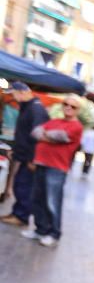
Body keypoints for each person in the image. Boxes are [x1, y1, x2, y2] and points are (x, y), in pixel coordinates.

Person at [20, 95, 83, 247]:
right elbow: (35, 132)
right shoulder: (55, 121)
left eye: (72, 106)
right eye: (66, 104)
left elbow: (60, 136)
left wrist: (47, 135)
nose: (68, 107)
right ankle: (40, 230)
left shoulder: (76, 126)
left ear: (77, 110)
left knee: (52, 201)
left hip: (57, 168)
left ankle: (54, 233)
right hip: (41, 163)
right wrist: (50, 137)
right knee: (37, 198)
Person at [0, 82, 50, 226]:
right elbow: (25, 134)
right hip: (24, 155)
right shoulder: (28, 107)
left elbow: (38, 136)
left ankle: (21, 216)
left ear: (21, 92)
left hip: (31, 158)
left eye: (13, 94)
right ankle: (17, 213)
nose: (13, 98)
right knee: (20, 185)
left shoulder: (36, 109)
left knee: (24, 186)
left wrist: (33, 159)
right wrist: (16, 150)